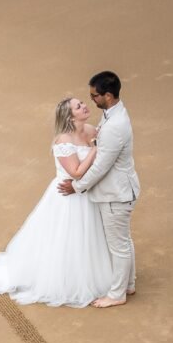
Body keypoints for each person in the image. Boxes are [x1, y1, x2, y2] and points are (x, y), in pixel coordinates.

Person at [0, 97, 113, 308]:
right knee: (68, 238)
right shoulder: (63, 141)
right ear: (70, 116)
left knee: (88, 238)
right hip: (68, 198)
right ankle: (67, 282)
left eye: (83, 103)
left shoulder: (92, 130)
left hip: (88, 194)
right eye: (78, 106)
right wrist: (95, 149)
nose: (85, 106)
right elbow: (75, 172)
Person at [57, 71, 141, 308]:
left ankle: (117, 294)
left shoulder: (114, 125)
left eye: (95, 96)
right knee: (123, 240)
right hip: (120, 189)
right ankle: (129, 283)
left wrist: (77, 187)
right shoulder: (113, 113)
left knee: (119, 245)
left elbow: (101, 167)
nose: (91, 100)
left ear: (108, 95)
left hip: (116, 193)